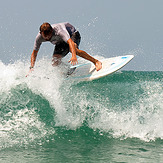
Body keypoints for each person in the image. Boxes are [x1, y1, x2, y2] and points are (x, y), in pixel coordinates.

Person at [27, 22, 102, 76]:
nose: (46, 38)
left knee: (74, 50)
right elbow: (34, 53)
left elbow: (70, 42)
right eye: (44, 36)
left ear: (52, 31)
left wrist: (73, 55)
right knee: (55, 61)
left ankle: (96, 62)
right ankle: (69, 71)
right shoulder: (39, 38)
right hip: (60, 42)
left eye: (48, 36)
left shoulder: (60, 31)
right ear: (41, 33)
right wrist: (31, 67)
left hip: (73, 35)